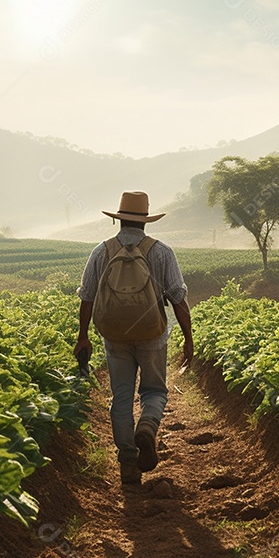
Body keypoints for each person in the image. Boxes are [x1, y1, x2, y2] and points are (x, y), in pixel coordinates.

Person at [74, 191, 194, 486]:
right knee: (154, 391)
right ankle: (148, 428)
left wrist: (83, 336)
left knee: (122, 397)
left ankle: (128, 462)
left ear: (118, 219)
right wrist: (189, 339)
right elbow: (178, 298)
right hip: (152, 335)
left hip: (114, 336)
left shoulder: (102, 251)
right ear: (145, 222)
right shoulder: (161, 252)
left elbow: (87, 297)